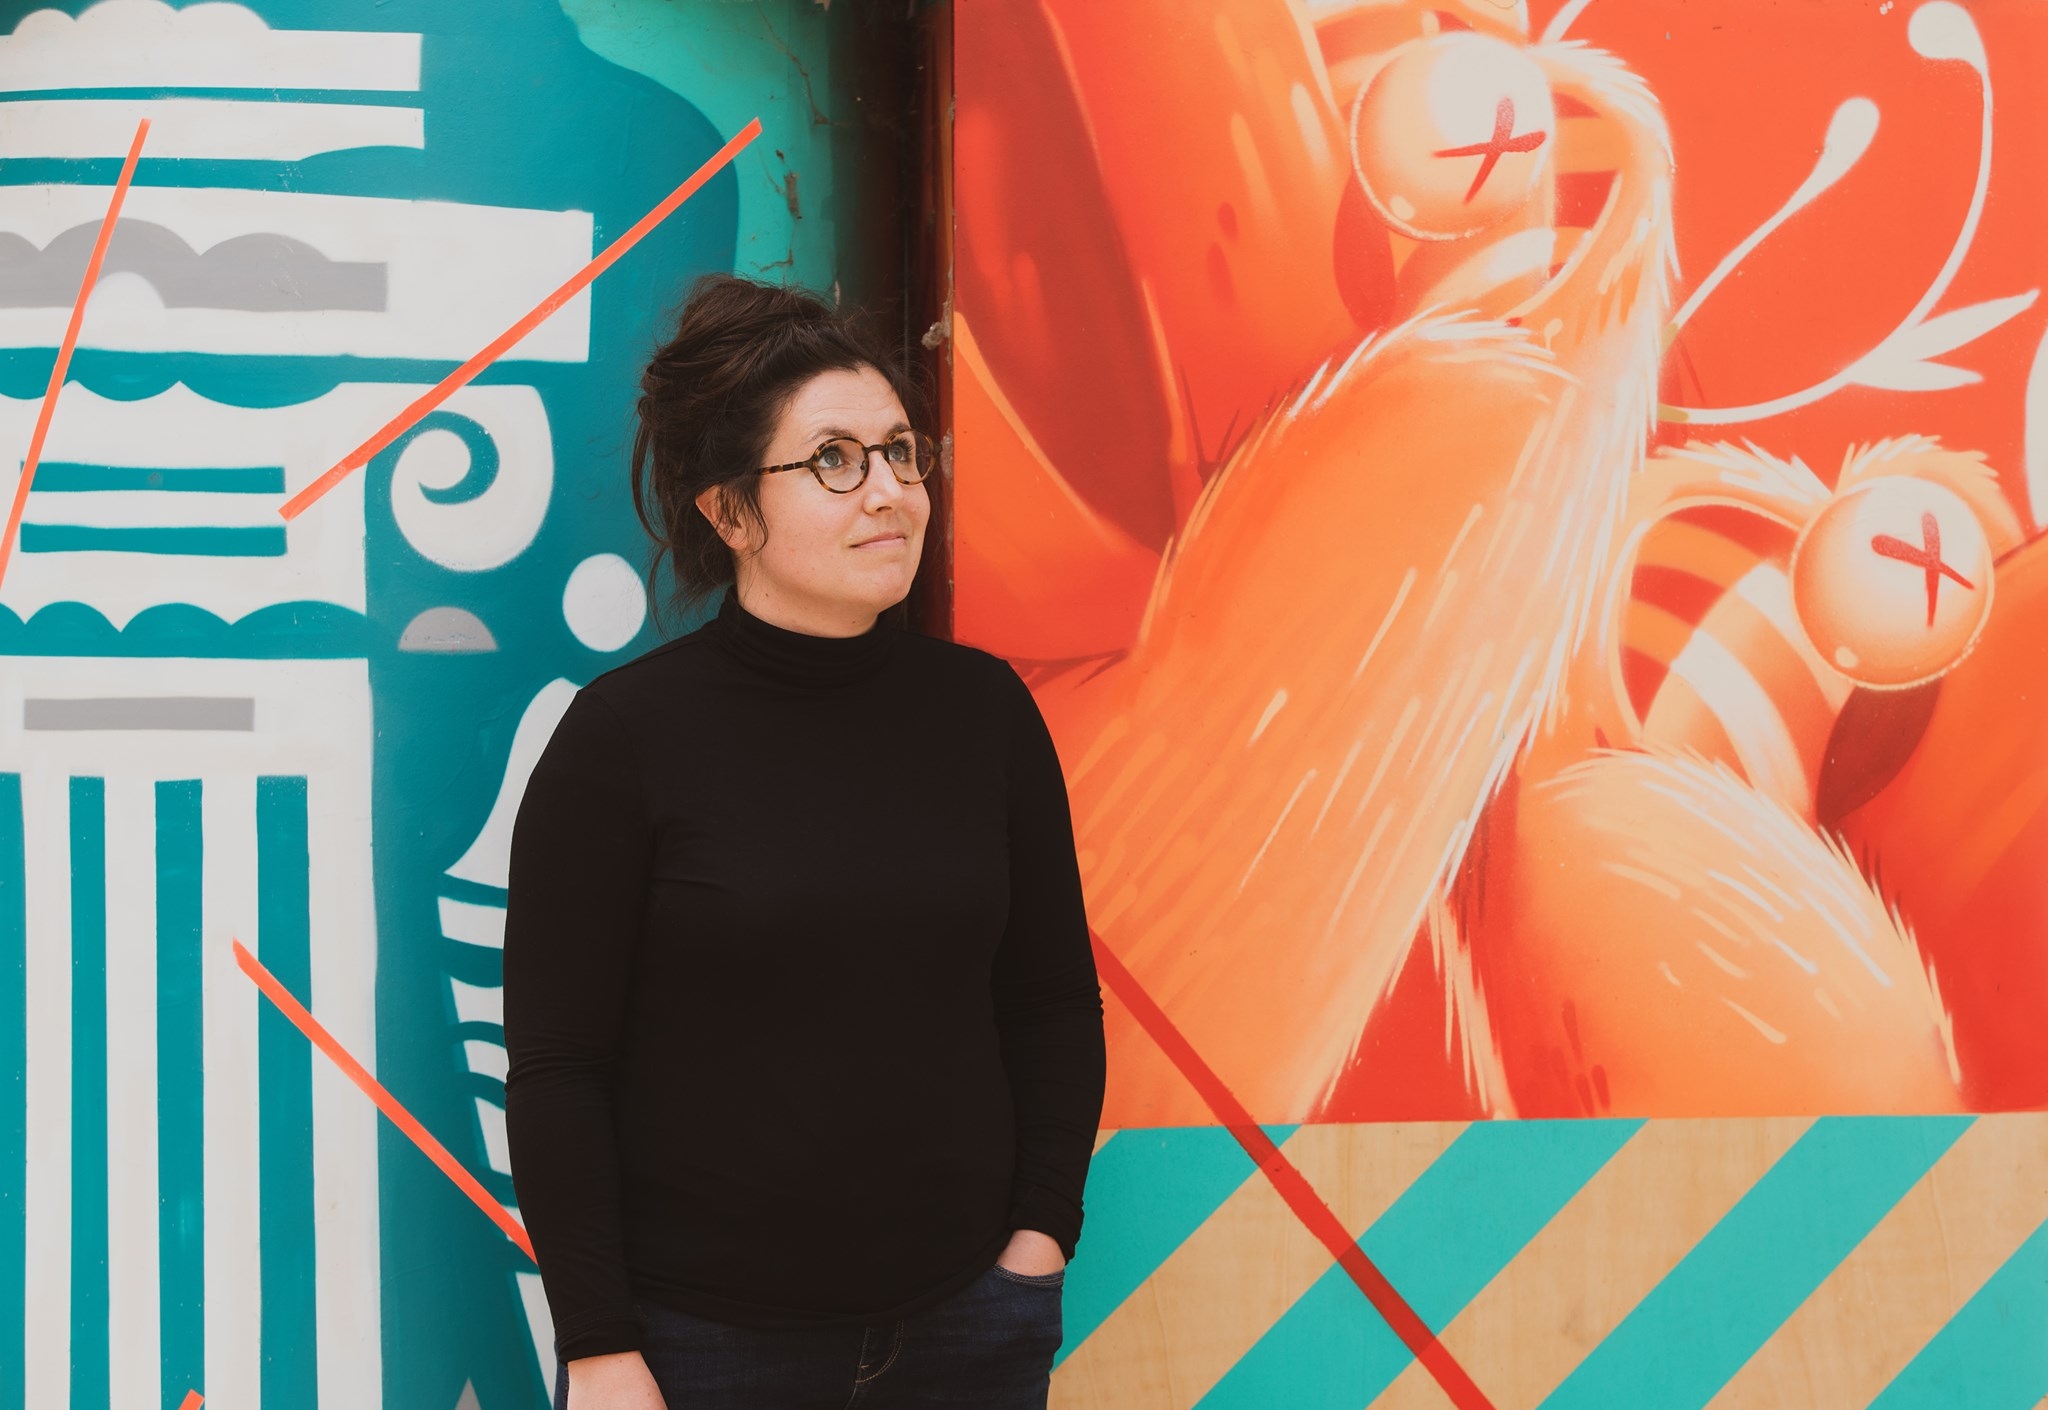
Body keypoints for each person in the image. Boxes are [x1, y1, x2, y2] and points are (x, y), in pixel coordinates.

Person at [503, 273, 1106, 1410]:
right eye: (834, 460)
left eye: (900, 453)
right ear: (730, 513)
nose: (888, 492)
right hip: (708, 1348)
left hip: (966, 1327)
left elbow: (1051, 1003)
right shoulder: (622, 741)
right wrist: (598, 1346)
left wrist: (1037, 1244)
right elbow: (557, 1069)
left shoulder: (984, 713)